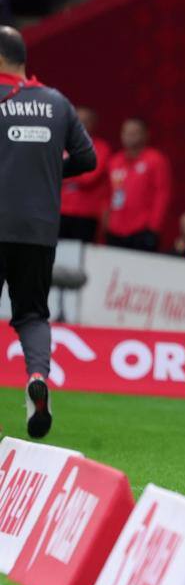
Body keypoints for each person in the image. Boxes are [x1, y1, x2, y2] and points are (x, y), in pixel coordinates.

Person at [0, 26, 96, 438]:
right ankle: (37, 377)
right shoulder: (56, 102)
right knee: (33, 314)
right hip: (38, 229)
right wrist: (48, 172)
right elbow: (87, 158)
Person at [105, 116, 170, 251]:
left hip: (142, 229)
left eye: (135, 133)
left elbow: (162, 194)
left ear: (145, 135)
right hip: (115, 229)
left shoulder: (155, 160)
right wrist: (106, 222)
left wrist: (153, 227)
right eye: (126, 132)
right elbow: (107, 195)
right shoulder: (114, 161)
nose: (130, 136)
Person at [59, 107, 111, 242]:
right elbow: (52, 173)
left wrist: (65, 175)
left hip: (85, 214)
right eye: (77, 120)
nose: (80, 124)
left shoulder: (101, 148)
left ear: (93, 124)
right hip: (60, 210)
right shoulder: (60, 144)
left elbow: (90, 177)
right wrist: (74, 174)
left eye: (85, 121)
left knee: (79, 259)